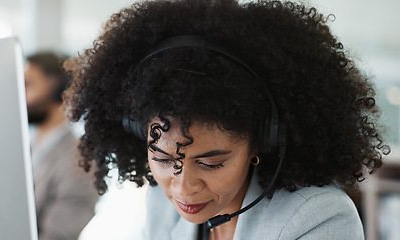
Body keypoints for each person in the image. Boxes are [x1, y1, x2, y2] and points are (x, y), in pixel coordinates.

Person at [63, 0, 391, 239]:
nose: (183, 187)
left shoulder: (318, 217)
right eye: (162, 158)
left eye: (210, 163)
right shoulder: (161, 202)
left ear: (261, 143)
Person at [24, 52, 99, 240]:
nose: (19, 94)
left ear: (59, 90)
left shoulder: (81, 162)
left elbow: (58, 236)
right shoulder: (26, 147)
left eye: (27, 85)